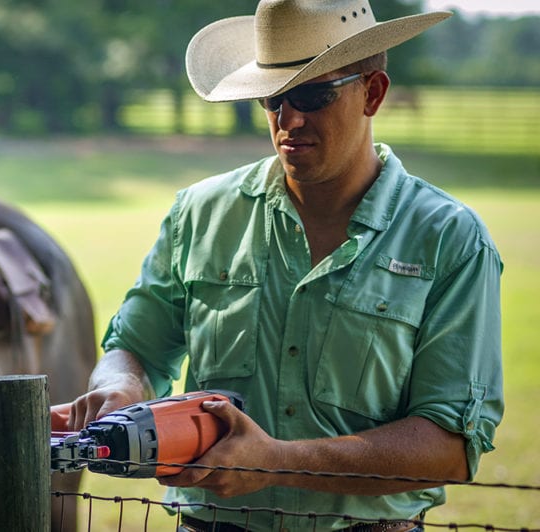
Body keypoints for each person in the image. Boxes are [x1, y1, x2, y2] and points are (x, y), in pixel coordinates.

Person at [64, 1, 504, 530]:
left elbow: (450, 446)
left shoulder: (450, 238)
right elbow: (136, 346)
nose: (287, 120)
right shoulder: (200, 213)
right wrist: (121, 387)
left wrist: (276, 461)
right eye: (273, 99)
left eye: (313, 96)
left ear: (373, 93)